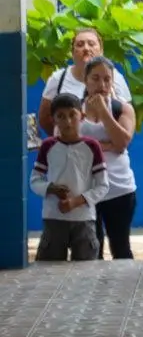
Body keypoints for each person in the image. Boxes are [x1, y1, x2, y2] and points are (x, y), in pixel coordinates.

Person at [30, 93, 109, 261]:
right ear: (53, 119)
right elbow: (35, 180)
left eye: (72, 115)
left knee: (85, 268)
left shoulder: (92, 146)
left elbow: (103, 186)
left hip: (83, 219)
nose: (68, 121)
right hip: (53, 217)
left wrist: (76, 201)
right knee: (50, 268)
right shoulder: (48, 146)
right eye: (61, 116)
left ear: (82, 116)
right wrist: (50, 188)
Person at [80, 56, 137, 260]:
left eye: (107, 79)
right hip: (86, 190)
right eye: (95, 78)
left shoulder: (122, 108)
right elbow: (69, 145)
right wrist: (107, 145)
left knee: (121, 248)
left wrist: (104, 112)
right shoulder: (74, 110)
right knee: (91, 249)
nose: (102, 85)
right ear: (86, 80)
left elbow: (122, 142)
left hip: (119, 188)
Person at [38, 28, 132, 136]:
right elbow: (45, 118)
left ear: (101, 50)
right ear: (72, 52)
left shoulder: (116, 78)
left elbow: (127, 121)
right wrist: (64, 139)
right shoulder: (58, 78)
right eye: (80, 45)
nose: (86, 48)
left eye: (91, 44)